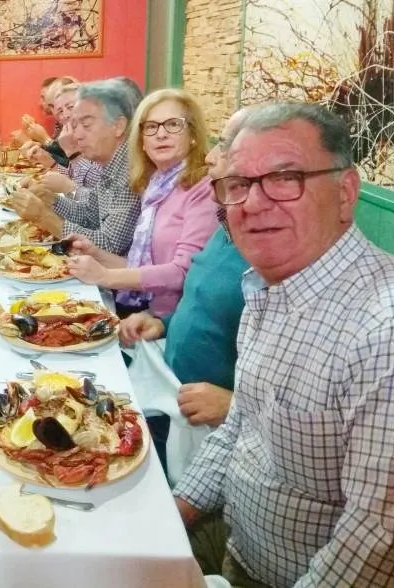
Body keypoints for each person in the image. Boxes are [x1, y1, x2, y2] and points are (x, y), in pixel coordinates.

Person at [174, 102, 394, 586]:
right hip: (236, 545)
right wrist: (174, 512)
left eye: (285, 177)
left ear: (345, 192)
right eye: (239, 183)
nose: (252, 204)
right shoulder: (267, 286)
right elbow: (241, 428)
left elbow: (376, 550)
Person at [116, 108, 252, 483]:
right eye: (151, 127)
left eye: (225, 145)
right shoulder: (227, 224)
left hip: (211, 426)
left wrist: (234, 404)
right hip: (170, 391)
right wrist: (163, 322)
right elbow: (201, 301)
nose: (210, 157)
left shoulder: (270, 248)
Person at [64, 89, 217, 318]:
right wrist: (95, 253)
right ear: (142, 141)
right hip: (148, 312)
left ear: (193, 134)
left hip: (173, 321)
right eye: (151, 127)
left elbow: (183, 273)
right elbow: (141, 267)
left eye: (173, 125)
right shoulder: (156, 185)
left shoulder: (203, 188)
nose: (161, 134)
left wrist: (104, 276)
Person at [10, 79, 142, 255]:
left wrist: (43, 216)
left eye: (86, 125)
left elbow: (109, 246)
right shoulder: (110, 163)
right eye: (75, 126)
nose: (78, 135)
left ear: (118, 126)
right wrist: (50, 199)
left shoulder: (131, 171)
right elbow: (90, 215)